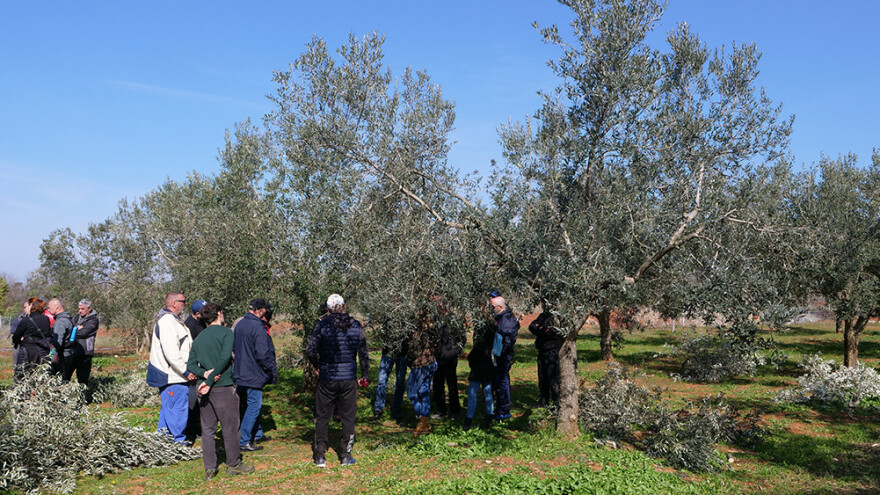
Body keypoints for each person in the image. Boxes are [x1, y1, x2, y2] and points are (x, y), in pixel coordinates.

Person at [186, 302, 255, 480]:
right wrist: (211, 378)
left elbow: (191, 365)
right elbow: (225, 358)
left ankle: (210, 468)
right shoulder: (226, 333)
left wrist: (204, 374)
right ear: (218, 314)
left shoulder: (199, 338)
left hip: (203, 388)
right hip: (222, 386)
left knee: (208, 430)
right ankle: (234, 464)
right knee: (230, 427)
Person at [305, 294, 369, 468]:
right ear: (344, 306)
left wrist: (317, 365)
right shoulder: (356, 326)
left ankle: (320, 455)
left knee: (323, 416)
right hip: (348, 378)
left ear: (328, 308)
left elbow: (310, 349)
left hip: (327, 377)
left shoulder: (322, 325)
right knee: (348, 417)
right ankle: (346, 455)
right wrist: (365, 375)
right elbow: (363, 353)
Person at [149, 292, 196, 443]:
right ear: (174, 303)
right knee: (177, 409)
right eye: (183, 301)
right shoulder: (168, 322)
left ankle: (163, 440)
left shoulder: (173, 321)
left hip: (174, 374)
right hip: (172, 375)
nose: (185, 304)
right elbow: (171, 352)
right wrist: (186, 371)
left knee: (169, 408)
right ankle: (178, 441)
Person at [233, 298, 278, 451]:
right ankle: (244, 440)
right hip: (253, 373)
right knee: (254, 405)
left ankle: (257, 434)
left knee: (246, 404)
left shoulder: (240, 324)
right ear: (260, 311)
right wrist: (269, 370)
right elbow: (263, 353)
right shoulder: (257, 326)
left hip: (241, 371)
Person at [488, 291, 519, 421]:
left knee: (502, 383)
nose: (491, 309)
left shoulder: (506, 321)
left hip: (502, 358)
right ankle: (499, 409)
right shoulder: (501, 318)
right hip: (499, 357)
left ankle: (504, 411)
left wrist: (499, 355)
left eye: (492, 307)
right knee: (498, 383)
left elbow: (506, 341)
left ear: (499, 307)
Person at [463, 319, 495, 430]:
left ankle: (468, 420)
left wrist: (472, 364)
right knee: (488, 393)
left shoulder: (479, 345)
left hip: (477, 371)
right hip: (488, 370)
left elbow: (471, 357)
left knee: (472, 394)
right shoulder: (492, 345)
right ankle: (489, 419)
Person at [432, 317, 466, 419]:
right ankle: (441, 410)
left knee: (452, 386)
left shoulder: (454, 321)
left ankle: (455, 411)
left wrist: (454, 352)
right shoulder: (435, 320)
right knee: (438, 386)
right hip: (438, 359)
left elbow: (462, 339)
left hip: (450, 360)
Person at [183, 299, 207, 442]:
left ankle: (197, 428)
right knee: (191, 401)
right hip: (193, 367)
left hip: (201, 366)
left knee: (198, 400)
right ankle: (190, 430)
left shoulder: (202, 322)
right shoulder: (189, 326)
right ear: (197, 313)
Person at [407, 325, 437, 437]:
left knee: (411, 393)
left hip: (420, 365)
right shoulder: (431, 326)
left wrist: (409, 360)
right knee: (424, 392)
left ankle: (423, 419)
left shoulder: (416, 330)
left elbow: (412, 349)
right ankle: (424, 419)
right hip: (431, 362)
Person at [11, 297, 52, 379]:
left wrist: (18, 340)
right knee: (41, 376)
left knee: (23, 376)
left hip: (27, 352)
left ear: (32, 306)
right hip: (42, 351)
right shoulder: (46, 319)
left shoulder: (26, 320)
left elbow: (16, 336)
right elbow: (47, 333)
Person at [529, 310, 562, 407]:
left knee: (553, 378)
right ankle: (544, 401)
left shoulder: (555, 318)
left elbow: (544, 331)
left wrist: (540, 329)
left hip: (552, 351)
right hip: (542, 350)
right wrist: (540, 328)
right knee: (542, 376)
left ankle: (557, 403)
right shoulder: (543, 315)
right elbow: (532, 327)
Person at [371, 338, 408, 421]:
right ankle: (378, 409)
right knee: (381, 380)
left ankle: (396, 410)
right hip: (387, 352)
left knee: (400, 382)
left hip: (403, 352)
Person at [64, 299, 100, 384]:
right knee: (65, 377)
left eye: (82, 309)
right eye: (79, 309)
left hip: (85, 354)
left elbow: (83, 333)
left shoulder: (93, 321)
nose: (80, 311)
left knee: (83, 380)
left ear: (89, 309)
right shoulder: (76, 317)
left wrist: (74, 330)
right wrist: (76, 329)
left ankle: (85, 396)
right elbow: (69, 330)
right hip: (72, 352)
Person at [47, 298, 72, 376]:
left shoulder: (60, 322)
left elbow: (57, 343)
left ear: (57, 307)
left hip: (62, 356)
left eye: (49, 307)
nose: (48, 309)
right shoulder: (67, 318)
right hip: (68, 354)